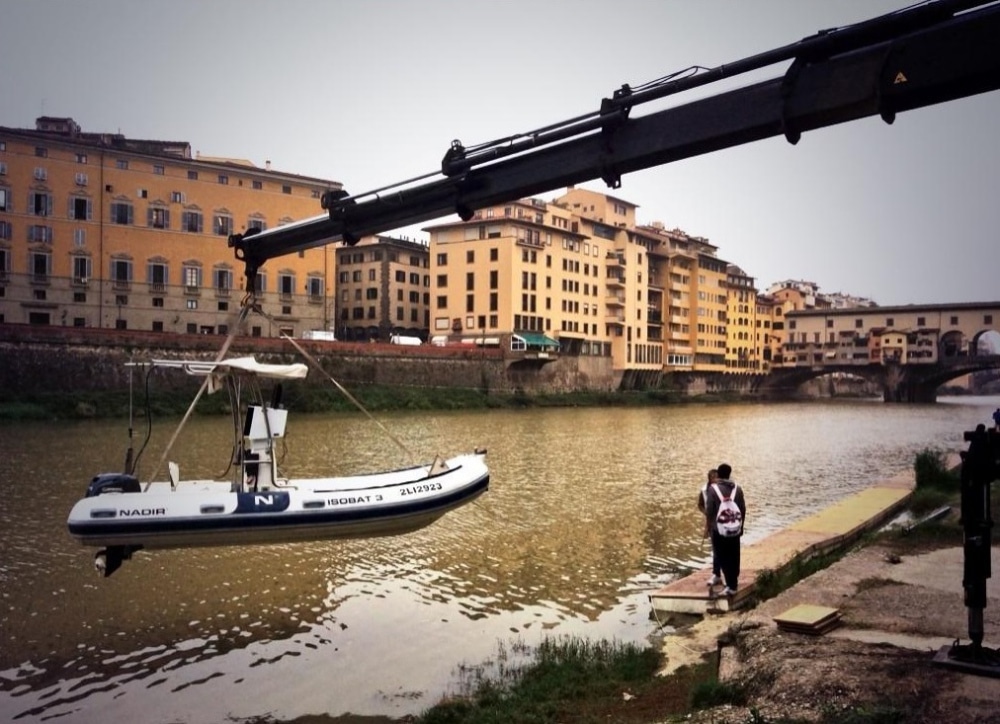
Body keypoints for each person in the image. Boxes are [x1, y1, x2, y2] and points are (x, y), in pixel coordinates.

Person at [704, 463, 746, 598]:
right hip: (735, 528)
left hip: (719, 530)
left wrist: (709, 527)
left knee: (722, 556)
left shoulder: (712, 489)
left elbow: (709, 510)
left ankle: (730, 586)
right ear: (729, 474)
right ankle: (734, 581)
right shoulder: (737, 489)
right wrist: (741, 526)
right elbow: (742, 509)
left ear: (719, 474)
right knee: (734, 554)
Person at [696, 469, 721, 586]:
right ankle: (717, 574)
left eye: (717, 477)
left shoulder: (723, 489)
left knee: (723, 549)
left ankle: (724, 572)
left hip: (723, 521)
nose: (715, 479)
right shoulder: (704, 490)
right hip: (711, 523)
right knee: (715, 549)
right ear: (709, 479)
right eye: (713, 477)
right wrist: (706, 512)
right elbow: (700, 505)